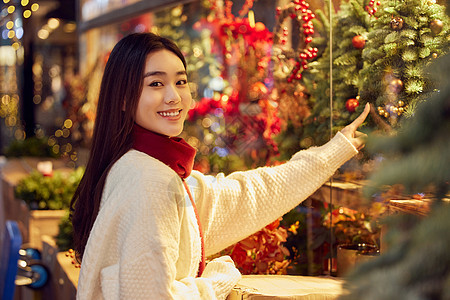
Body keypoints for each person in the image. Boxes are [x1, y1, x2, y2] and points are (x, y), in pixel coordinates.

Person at [70, 32, 370, 300]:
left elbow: (248, 194)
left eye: (180, 81)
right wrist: (215, 282)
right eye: (156, 83)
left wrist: (335, 149)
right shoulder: (148, 180)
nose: (174, 96)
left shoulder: (143, 166)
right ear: (122, 97)